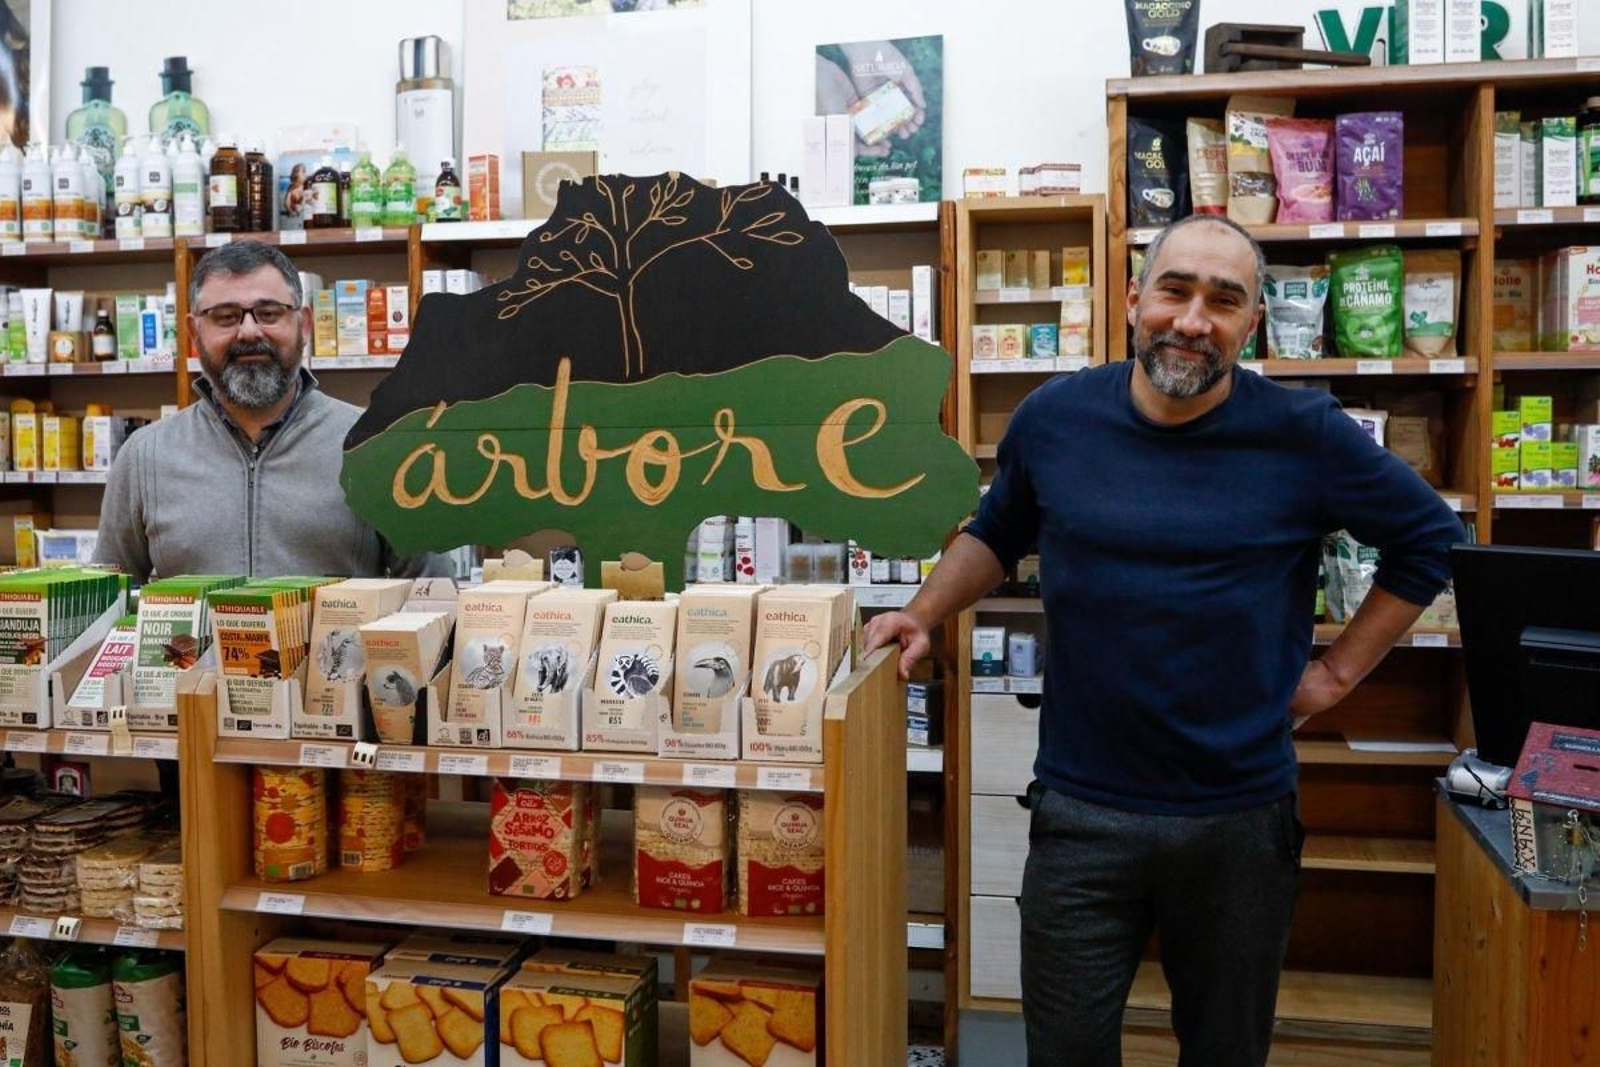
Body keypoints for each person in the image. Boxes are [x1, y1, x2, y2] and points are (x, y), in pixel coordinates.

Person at [862, 214, 1464, 1066]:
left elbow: (1430, 538)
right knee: (1065, 1052)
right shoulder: (1056, 418)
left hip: (1238, 818)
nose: (1192, 320)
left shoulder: (1305, 433)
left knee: (1224, 1051)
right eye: (1174, 291)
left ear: (1252, 324)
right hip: (1080, 810)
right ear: (1132, 299)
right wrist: (922, 612)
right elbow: (997, 532)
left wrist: (1333, 675)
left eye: (1224, 301)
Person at [97, 239, 449, 581]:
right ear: (194, 332)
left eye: (269, 313)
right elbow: (105, 600)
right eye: (225, 317)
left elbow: (432, 595)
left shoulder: (380, 446)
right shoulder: (145, 456)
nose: (249, 332)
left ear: (304, 325)